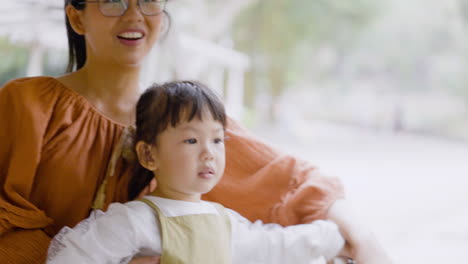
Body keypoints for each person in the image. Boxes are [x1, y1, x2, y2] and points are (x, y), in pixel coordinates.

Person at [0, 0, 392, 263]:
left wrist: (360, 235)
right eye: (113, 0)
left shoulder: (184, 120)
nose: (134, 15)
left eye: (149, 0)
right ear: (76, 16)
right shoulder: (27, 103)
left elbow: (284, 178)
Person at [46, 81, 347, 263]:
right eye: (191, 140)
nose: (209, 152)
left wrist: (331, 235)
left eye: (217, 140)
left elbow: (272, 247)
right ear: (149, 154)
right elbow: (70, 258)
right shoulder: (132, 221)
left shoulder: (224, 222)